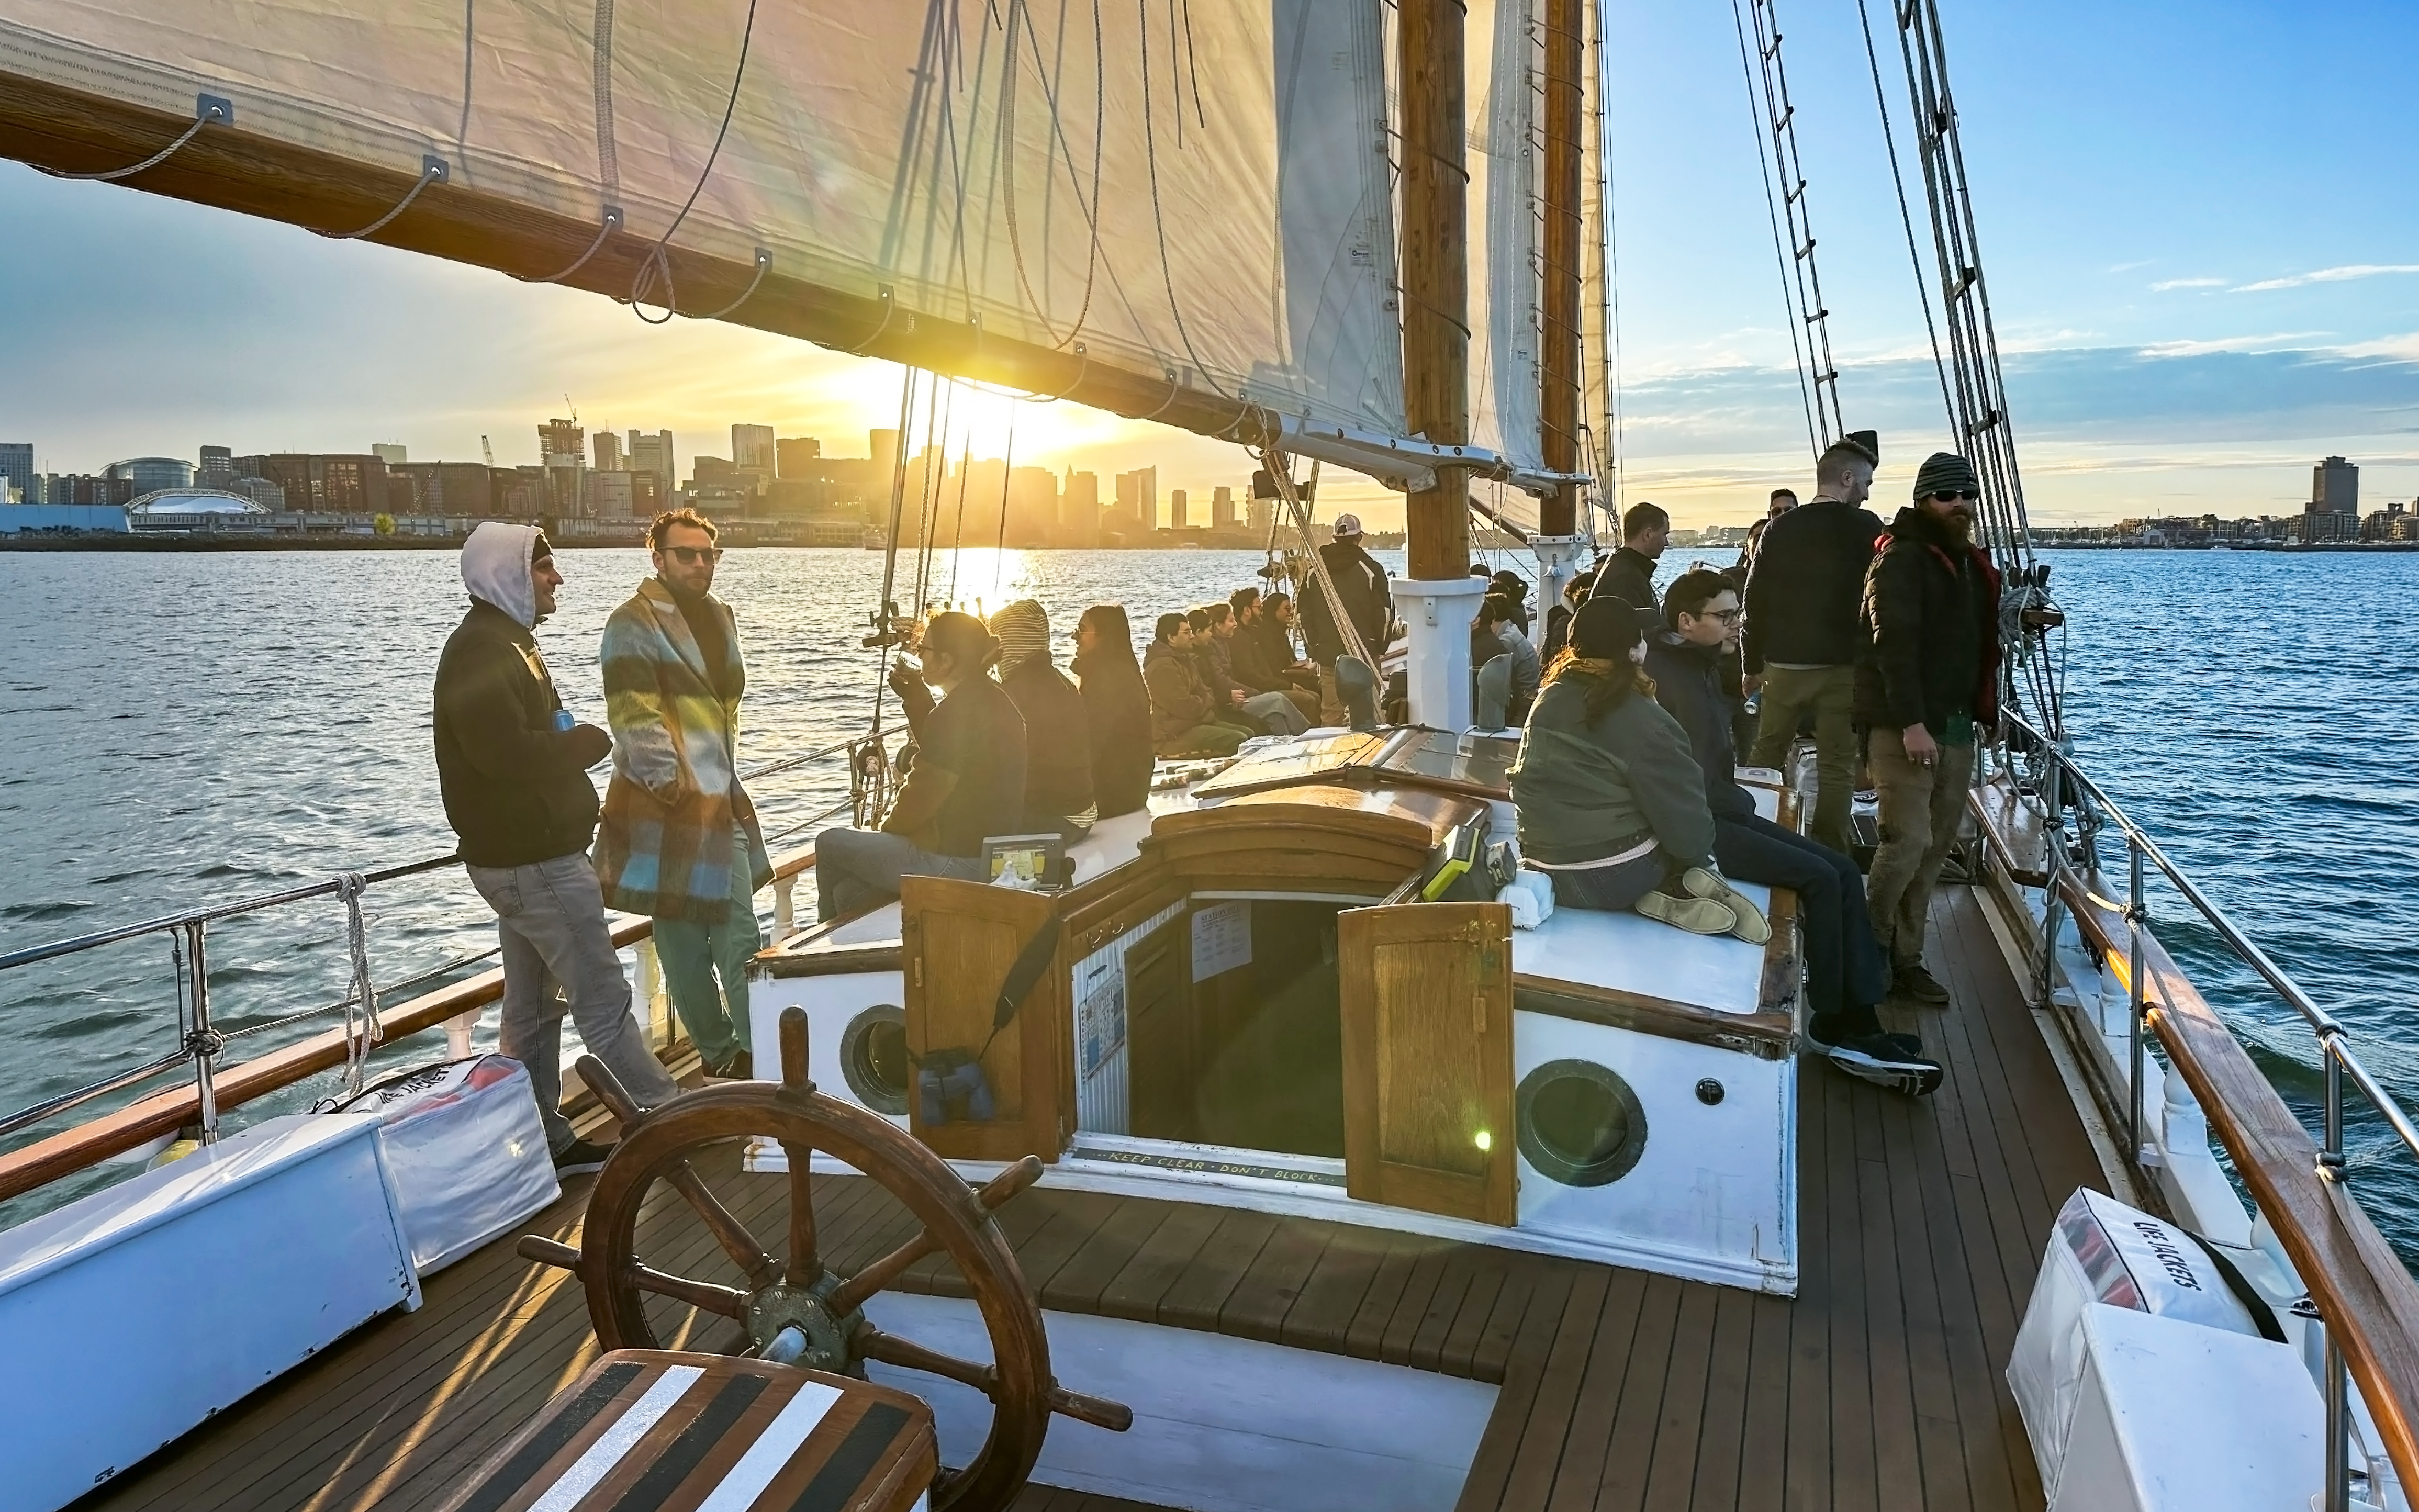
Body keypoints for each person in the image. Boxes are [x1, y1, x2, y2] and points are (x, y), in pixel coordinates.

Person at [433, 522, 679, 1175]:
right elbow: (503, 755)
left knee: (535, 1010)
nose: (557, 579)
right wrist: (585, 745)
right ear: (509, 575)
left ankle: (544, 1139)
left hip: (520, 861)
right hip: (532, 864)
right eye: (544, 568)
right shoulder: (484, 652)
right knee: (602, 998)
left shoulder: (506, 643)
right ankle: (670, 1120)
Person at [1647, 569, 1940, 1094]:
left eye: (1737, 614)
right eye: (1724, 616)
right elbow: (1676, 775)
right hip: (1698, 826)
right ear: (1685, 622)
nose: (1737, 625)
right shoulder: (1670, 680)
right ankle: (1835, 1024)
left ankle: (1858, 1021)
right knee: (1821, 879)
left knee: (1844, 869)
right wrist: (1727, 804)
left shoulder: (1698, 668)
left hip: (1719, 810)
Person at [592, 508, 769, 1081]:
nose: (699, 564)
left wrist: (715, 785)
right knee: (681, 940)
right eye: (686, 554)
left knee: (739, 931)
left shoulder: (723, 617)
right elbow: (633, 718)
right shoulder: (632, 621)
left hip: (720, 794)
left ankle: (758, 1050)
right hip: (666, 806)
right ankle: (726, 1054)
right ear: (658, 558)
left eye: (708, 555)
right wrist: (675, 787)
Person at [1508, 598, 1762, 937]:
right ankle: (1674, 885)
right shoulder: (1645, 719)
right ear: (1635, 652)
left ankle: (1660, 891)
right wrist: (1701, 857)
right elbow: (1684, 816)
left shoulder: (1546, 700)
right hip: (1617, 875)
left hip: (1544, 869)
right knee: (1673, 834)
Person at [1858, 451, 2001, 1006]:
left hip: (1955, 724)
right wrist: (1911, 723)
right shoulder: (1900, 561)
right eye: (1947, 496)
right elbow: (1889, 646)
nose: (1959, 505)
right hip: (1906, 727)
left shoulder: (1968, 564)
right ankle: (1869, 946)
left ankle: (1906, 958)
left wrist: (1982, 713)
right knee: (1905, 842)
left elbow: (1970, 643)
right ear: (1923, 501)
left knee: (1936, 846)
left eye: (1967, 495)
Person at [815, 612, 1026, 921]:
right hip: (995, 856)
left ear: (946, 661)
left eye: (924, 650)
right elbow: (947, 762)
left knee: (830, 844)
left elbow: (920, 799)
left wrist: (886, 835)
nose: (918, 655)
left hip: (959, 861)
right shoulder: (999, 702)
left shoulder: (953, 714)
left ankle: (814, 956)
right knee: (848, 894)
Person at [1743, 431, 1885, 856]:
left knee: (1766, 752)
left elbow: (1755, 601)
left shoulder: (1779, 529)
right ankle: (1830, 851)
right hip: (1844, 668)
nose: (1866, 491)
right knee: (1838, 765)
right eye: (1865, 482)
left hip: (1785, 667)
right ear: (1846, 478)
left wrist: (1751, 665)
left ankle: (1754, 830)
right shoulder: (1868, 527)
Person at [988, 598, 1095, 835]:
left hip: (1056, 818)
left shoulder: (1015, 693)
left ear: (1009, 644)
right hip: (1080, 811)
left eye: (997, 642)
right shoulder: (1057, 681)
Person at [1298, 513, 1392, 724]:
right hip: (1364, 652)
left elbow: (1304, 616)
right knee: (1370, 710)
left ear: (1334, 538)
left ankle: (1332, 753)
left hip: (1329, 653)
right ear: (1359, 537)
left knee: (1331, 713)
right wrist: (1380, 646)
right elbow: (1384, 613)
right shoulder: (1371, 570)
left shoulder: (1314, 572)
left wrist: (1314, 648)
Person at [1072, 604, 1153, 819]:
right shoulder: (1123, 670)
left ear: (1104, 635)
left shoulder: (1107, 680)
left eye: (1081, 630)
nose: (1075, 637)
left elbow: (1090, 742)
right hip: (1134, 791)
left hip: (1113, 795)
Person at [1197, 601, 1311, 736]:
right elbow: (1221, 680)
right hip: (1229, 702)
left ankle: (1287, 745)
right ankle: (1306, 734)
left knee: (1275, 716)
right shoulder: (1212, 648)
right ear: (1218, 625)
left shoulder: (1224, 643)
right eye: (1231, 620)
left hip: (1236, 695)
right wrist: (1253, 693)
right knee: (1277, 699)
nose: (1235, 624)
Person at [1146, 611, 1249, 757]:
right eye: (1187, 632)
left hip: (1195, 723)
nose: (1192, 636)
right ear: (1171, 638)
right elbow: (1185, 707)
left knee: (1249, 734)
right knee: (1239, 739)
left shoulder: (1185, 659)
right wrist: (1204, 702)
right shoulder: (1162, 668)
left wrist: (1203, 700)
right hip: (1173, 735)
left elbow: (1206, 692)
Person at [1228, 587, 1321, 725]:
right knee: (1309, 699)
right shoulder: (1240, 638)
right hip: (1257, 690)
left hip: (1267, 685)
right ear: (1247, 610)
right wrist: (1288, 685)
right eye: (1259, 608)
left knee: (1313, 693)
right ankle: (1308, 736)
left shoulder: (1252, 633)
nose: (1262, 612)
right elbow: (1251, 676)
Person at [1588, 502, 1670, 625]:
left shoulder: (1622, 567)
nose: (1667, 543)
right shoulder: (1626, 578)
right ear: (1648, 535)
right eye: (1664, 535)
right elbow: (1638, 635)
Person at [1471, 592, 1540, 726]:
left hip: (1520, 711)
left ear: (1477, 620)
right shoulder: (1511, 631)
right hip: (1524, 702)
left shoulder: (1505, 642)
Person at [1738, 488, 1798, 576]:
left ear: (1798, 512)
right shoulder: (1761, 541)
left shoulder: (1809, 539)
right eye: (1777, 511)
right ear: (1769, 515)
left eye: (1788, 510)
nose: (1782, 515)